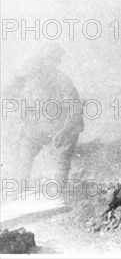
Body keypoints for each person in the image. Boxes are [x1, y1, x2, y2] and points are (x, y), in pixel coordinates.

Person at [12, 43, 84, 187]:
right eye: (43, 62)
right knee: (25, 151)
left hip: (65, 125)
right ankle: (18, 190)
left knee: (62, 158)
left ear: (56, 63)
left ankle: (57, 194)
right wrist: (23, 126)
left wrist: (64, 130)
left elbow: (75, 110)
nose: (45, 66)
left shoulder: (63, 81)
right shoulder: (33, 81)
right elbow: (26, 107)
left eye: (50, 61)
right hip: (43, 125)